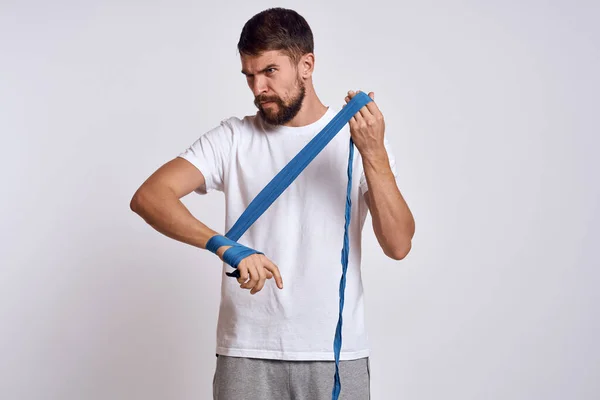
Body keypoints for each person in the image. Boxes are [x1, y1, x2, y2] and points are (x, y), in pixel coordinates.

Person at [130, 7, 415, 400]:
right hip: (247, 350)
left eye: (269, 72)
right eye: (249, 75)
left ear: (306, 65)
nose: (257, 88)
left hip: (335, 352)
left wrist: (374, 154)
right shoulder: (232, 138)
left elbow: (398, 244)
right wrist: (224, 245)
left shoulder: (358, 140)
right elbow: (149, 196)